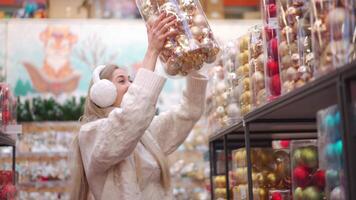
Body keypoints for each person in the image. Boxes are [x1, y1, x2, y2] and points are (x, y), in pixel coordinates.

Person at [70, 13, 208, 200]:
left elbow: (189, 111)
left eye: (131, 80)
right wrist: (151, 52)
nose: (131, 86)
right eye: (121, 81)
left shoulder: (146, 135)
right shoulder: (91, 135)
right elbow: (128, 121)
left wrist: (193, 62)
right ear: (103, 93)